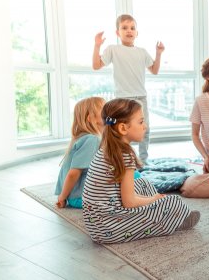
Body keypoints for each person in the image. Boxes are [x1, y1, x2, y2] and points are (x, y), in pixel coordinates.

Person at [82, 98, 200, 243]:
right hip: (109, 228)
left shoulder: (107, 148)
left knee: (143, 183)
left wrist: (151, 199)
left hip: (96, 223)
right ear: (123, 128)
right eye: (141, 122)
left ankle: (164, 209)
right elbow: (129, 202)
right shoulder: (125, 155)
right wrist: (153, 200)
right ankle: (174, 218)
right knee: (173, 201)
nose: (145, 126)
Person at [92, 14, 165, 163]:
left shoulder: (142, 51)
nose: (129, 31)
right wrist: (97, 45)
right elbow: (96, 65)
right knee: (123, 130)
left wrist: (158, 54)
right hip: (123, 98)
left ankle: (142, 161)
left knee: (145, 129)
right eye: (124, 28)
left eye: (132, 28)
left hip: (140, 97)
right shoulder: (113, 49)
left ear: (137, 33)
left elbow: (155, 70)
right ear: (117, 32)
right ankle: (123, 159)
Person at [55, 97, 105, 208]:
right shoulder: (92, 140)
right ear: (90, 118)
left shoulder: (84, 137)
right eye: (104, 110)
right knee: (133, 177)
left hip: (78, 195)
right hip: (81, 197)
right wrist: (62, 197)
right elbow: (73, 173)